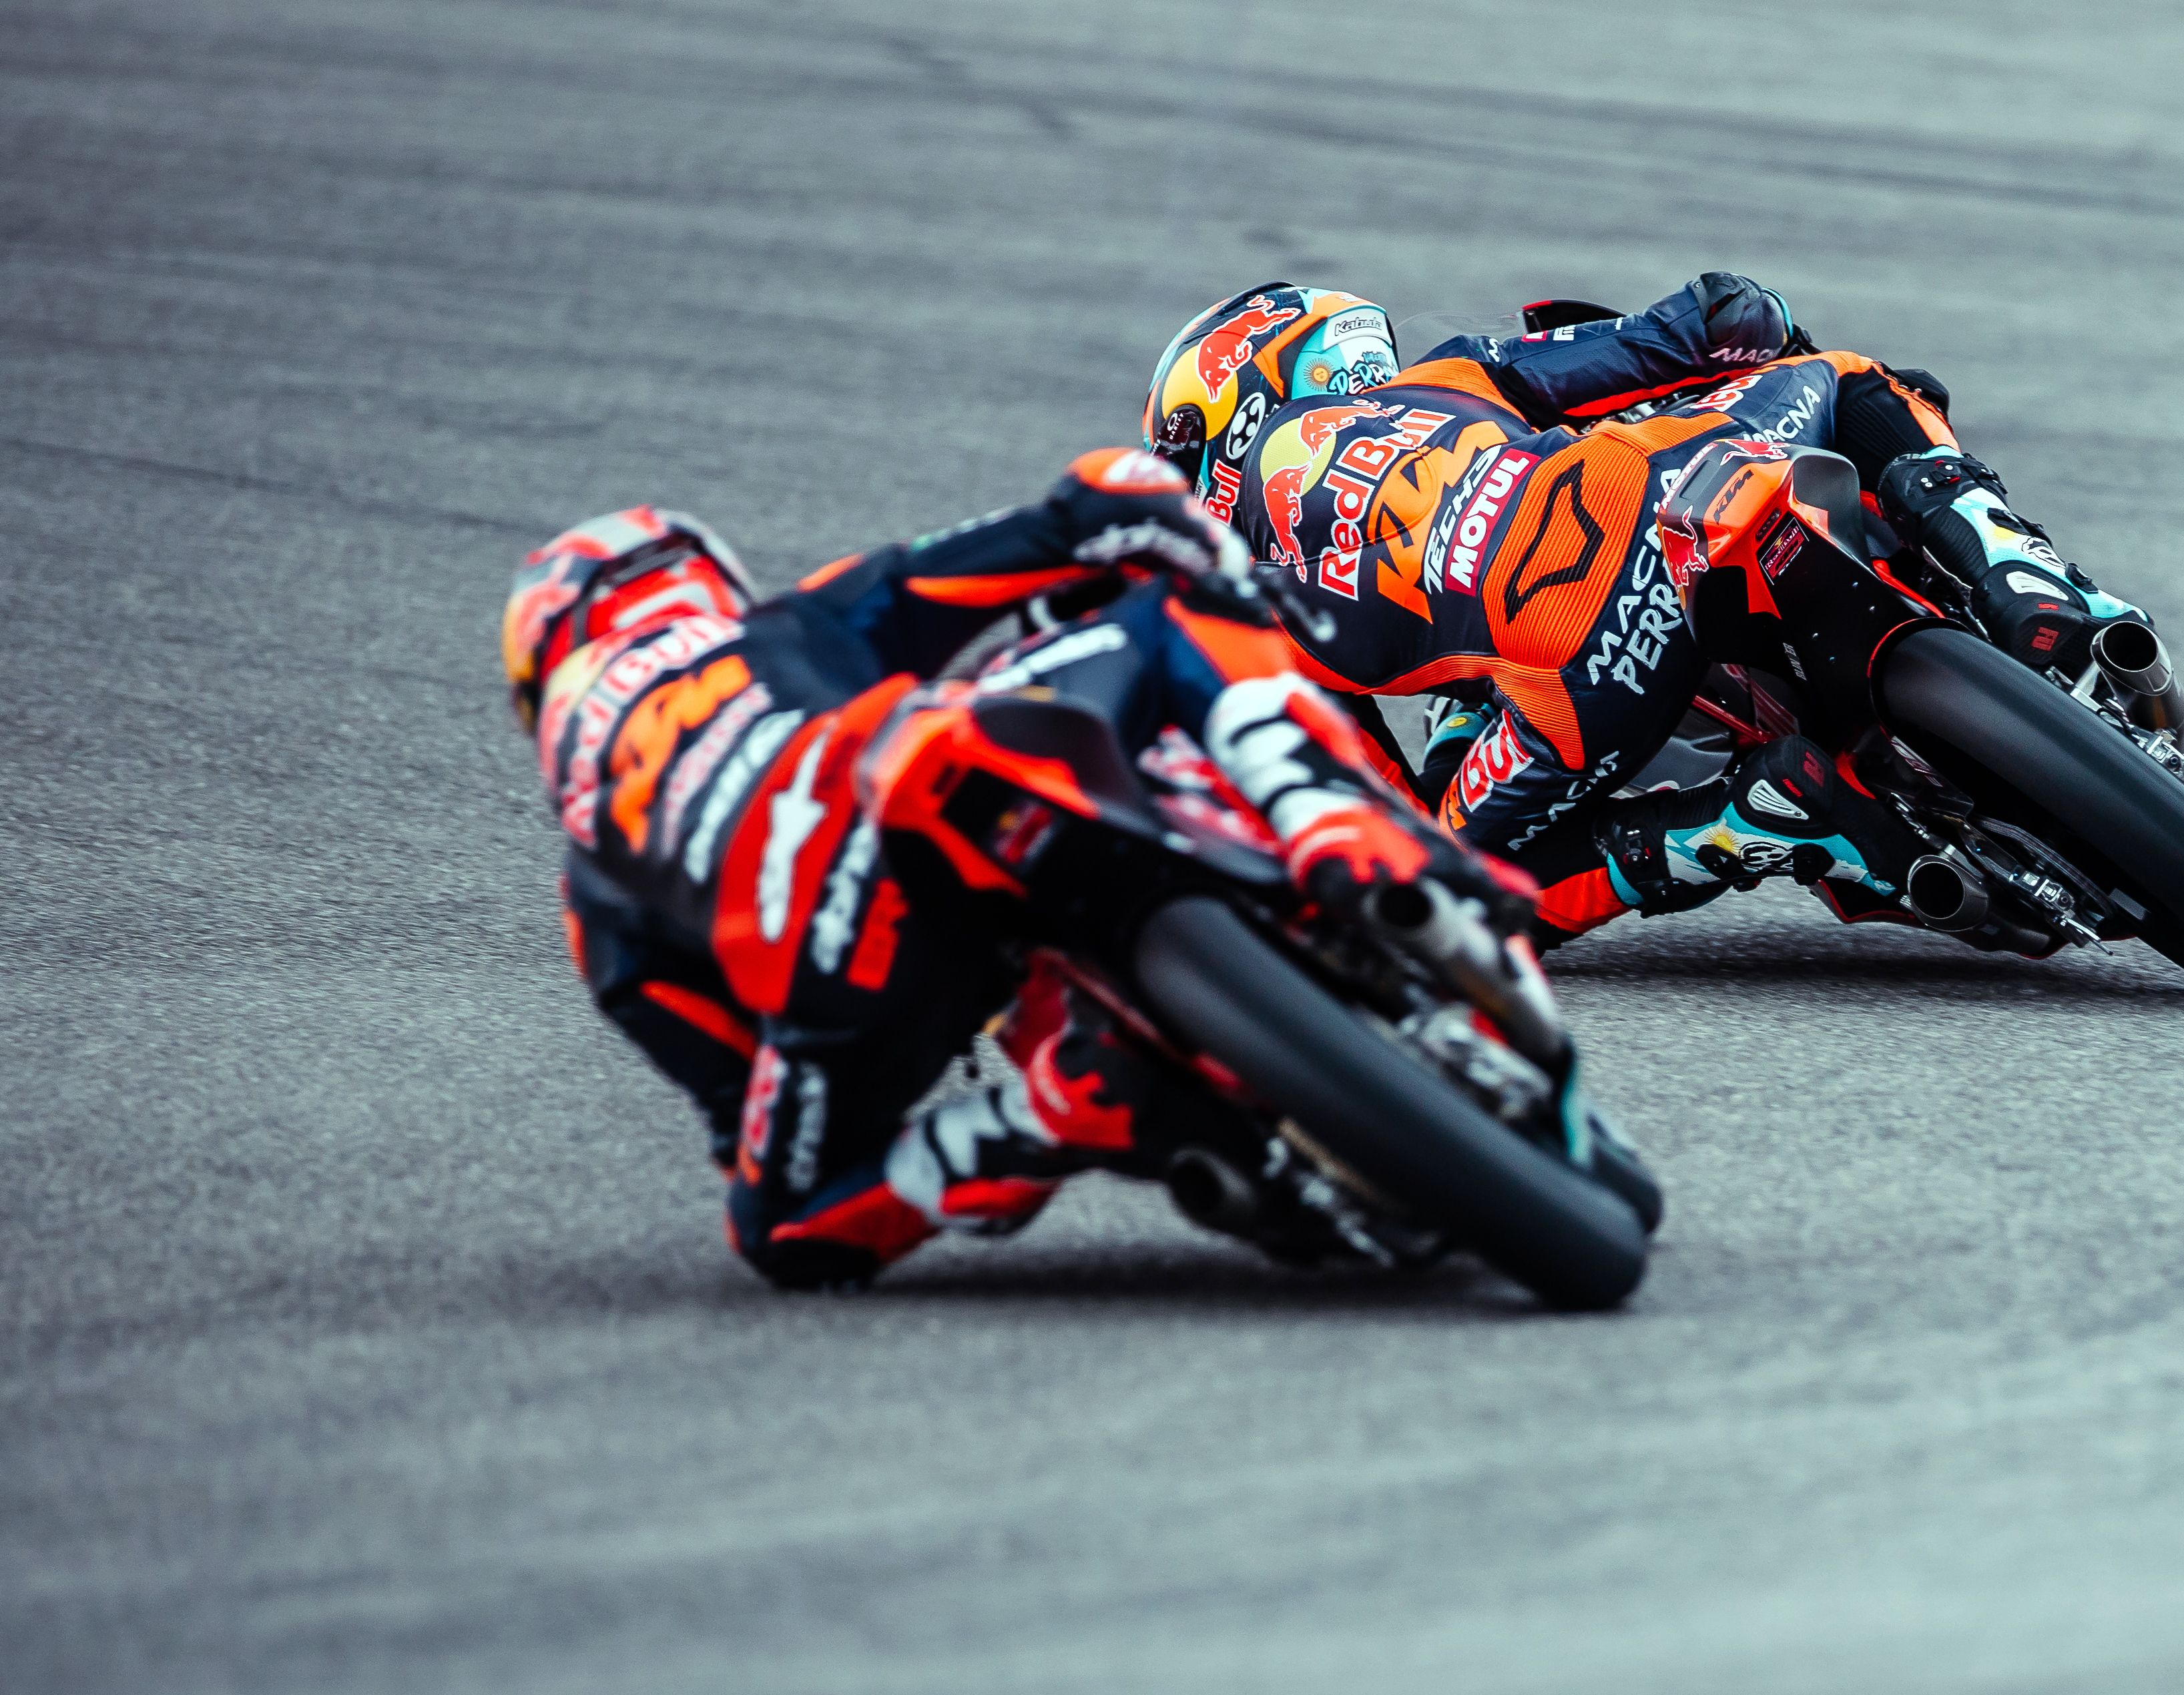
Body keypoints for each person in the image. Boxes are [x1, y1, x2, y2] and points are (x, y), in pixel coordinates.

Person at [501, 451, 1513, 1290]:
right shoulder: (783, 625)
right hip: (919, 777)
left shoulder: (594, 897)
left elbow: (735, 1101)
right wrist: (1207, 558)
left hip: (840, 972)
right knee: (1171, 619)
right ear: (702, 583)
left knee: (785, 1224)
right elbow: (1068, 522)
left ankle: (1046, 1114)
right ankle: (1333, 826)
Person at [1143, 279, 2169, 945]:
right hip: (1657, 492)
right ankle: (2017, 574)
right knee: (1848, 381)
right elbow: (1709, 322)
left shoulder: (1252, 605)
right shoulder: (1448, 375)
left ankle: (1744, 822)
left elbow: (1372, 823)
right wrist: (1762, 327)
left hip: (1574, 674)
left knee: (1439, 891)